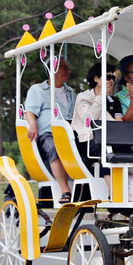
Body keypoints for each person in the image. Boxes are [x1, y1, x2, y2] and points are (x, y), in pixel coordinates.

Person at [24, 57, 76, 203]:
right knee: (53, 146)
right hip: (48, 134)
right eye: (63, 67)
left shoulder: (71, 92)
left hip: (69, 134)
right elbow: (29, 112)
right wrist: (32, 124)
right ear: (52, 69)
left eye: (67, 67)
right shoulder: (38, 90)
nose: (68, 71)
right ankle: (65, 190)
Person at [71, 63, 122, 189]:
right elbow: (88, 119)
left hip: (107, 139)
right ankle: (112, 190)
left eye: (113, 78)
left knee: (123, 148)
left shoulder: (112, 100)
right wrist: (100, 97)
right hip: (86, 143)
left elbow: (117, 124)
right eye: (107, 77)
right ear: (96, 79)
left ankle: (130, 187)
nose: (111, 81)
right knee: (106, 149)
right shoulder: (84, 97)